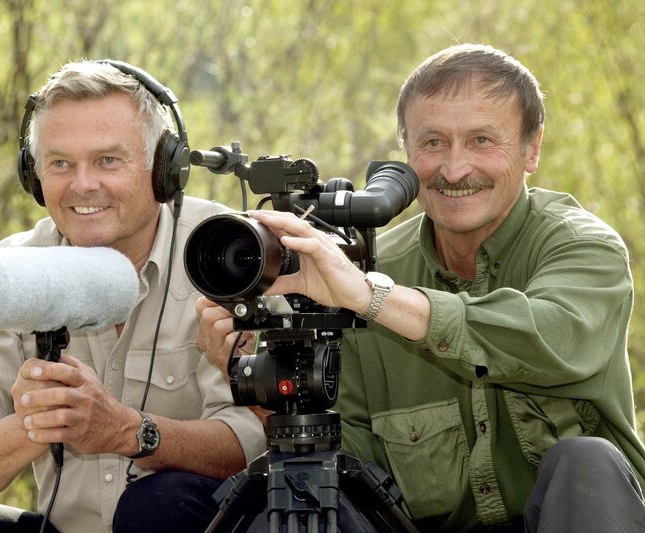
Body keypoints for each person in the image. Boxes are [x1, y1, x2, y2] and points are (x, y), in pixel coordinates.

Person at [197, 43, 645, 531]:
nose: (454, 170)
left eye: (481, 141)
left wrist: (374, 299)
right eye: (432, 143)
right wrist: (263, 381)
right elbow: (353, 457)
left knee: (587, 461)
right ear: (406, 149)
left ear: (531, 147)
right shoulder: (366, 266)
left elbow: (547, 337)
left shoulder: (583, 246)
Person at [0, 60, 265, 532]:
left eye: (107, 160)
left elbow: (251, 441)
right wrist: (38, 424)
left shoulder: (231, 252)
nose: (82, 184)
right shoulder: (2, 276)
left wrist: (126, 430)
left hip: (189, 520)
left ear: (163, 168)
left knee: (161, 503)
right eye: (60, 164)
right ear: (33, 175)